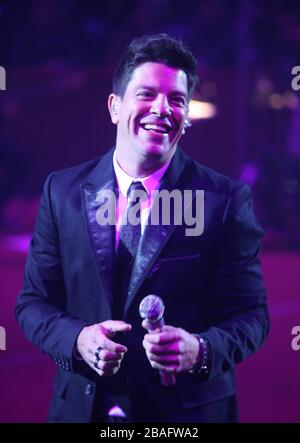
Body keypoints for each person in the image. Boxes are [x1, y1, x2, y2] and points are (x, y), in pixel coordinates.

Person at [16, 33, 269, 423]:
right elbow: (33, 303)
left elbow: (251, 315)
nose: (162, 109)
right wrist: (78, 340)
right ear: (115, 107)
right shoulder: (62, 192)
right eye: (146, 94)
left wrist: (200, 350)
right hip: (82, 410)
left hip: (185, 417)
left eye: (177, 100)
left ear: (186, 120)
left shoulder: (224, 200)